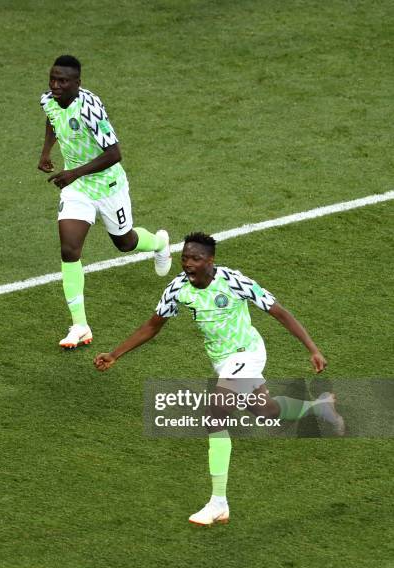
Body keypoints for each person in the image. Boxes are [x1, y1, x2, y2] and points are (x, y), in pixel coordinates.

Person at [94, 232, 345, 526]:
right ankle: (319, 407)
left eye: (196, 259)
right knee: (266, 411)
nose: (188, 264)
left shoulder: (234, 282)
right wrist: (115, 354)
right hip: (223, 362)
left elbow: (279, 312)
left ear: (210, 261)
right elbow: (153, 325)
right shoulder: (178, 289)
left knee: (214, 417)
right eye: (185, 257)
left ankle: (218, 502)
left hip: (247, 353)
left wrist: (312, 349)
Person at [38, 55, 171, 348]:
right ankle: (80, 326)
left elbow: (114, 154)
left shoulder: (90, 108)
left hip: (108, 185)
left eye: (63, 81)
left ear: (77, 83)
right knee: (69, 249)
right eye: (53, 79)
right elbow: (52, 120)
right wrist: (47, 152)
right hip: (78, 190)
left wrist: (73, 172)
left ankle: (160, 243)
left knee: (125, 242)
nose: (56, 85)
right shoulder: (48, 99)